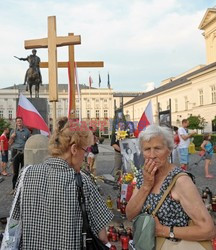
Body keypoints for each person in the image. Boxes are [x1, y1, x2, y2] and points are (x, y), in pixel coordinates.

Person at [11, 117, 113, 249]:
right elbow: (102, 236)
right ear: (74, 149)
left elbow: (14, 222)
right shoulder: (83, 181)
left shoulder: (25, 174)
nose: (85, 156)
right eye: (85, 150)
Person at [126, 125, 215, 243]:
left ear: (169, 150)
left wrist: (163, 230)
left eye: (157, 148)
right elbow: (130, 214)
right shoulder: (144, 176)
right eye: (147, 149)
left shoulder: (180, 181)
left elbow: (208, 230)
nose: (152, 155)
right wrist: (146, 186)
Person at [9, 117, 31, 192]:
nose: (19, 122)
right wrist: (12, 137)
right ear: (16, 123)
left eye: (20, 121)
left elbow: (29, 142)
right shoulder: (13, 131)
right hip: (15, 152)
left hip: (24, 152)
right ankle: (14, 188)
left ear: (22, 122)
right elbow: (9, 143)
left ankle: (23, 187)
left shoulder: (27, 131)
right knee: (15, 171)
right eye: (17, 121)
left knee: (23, 170)